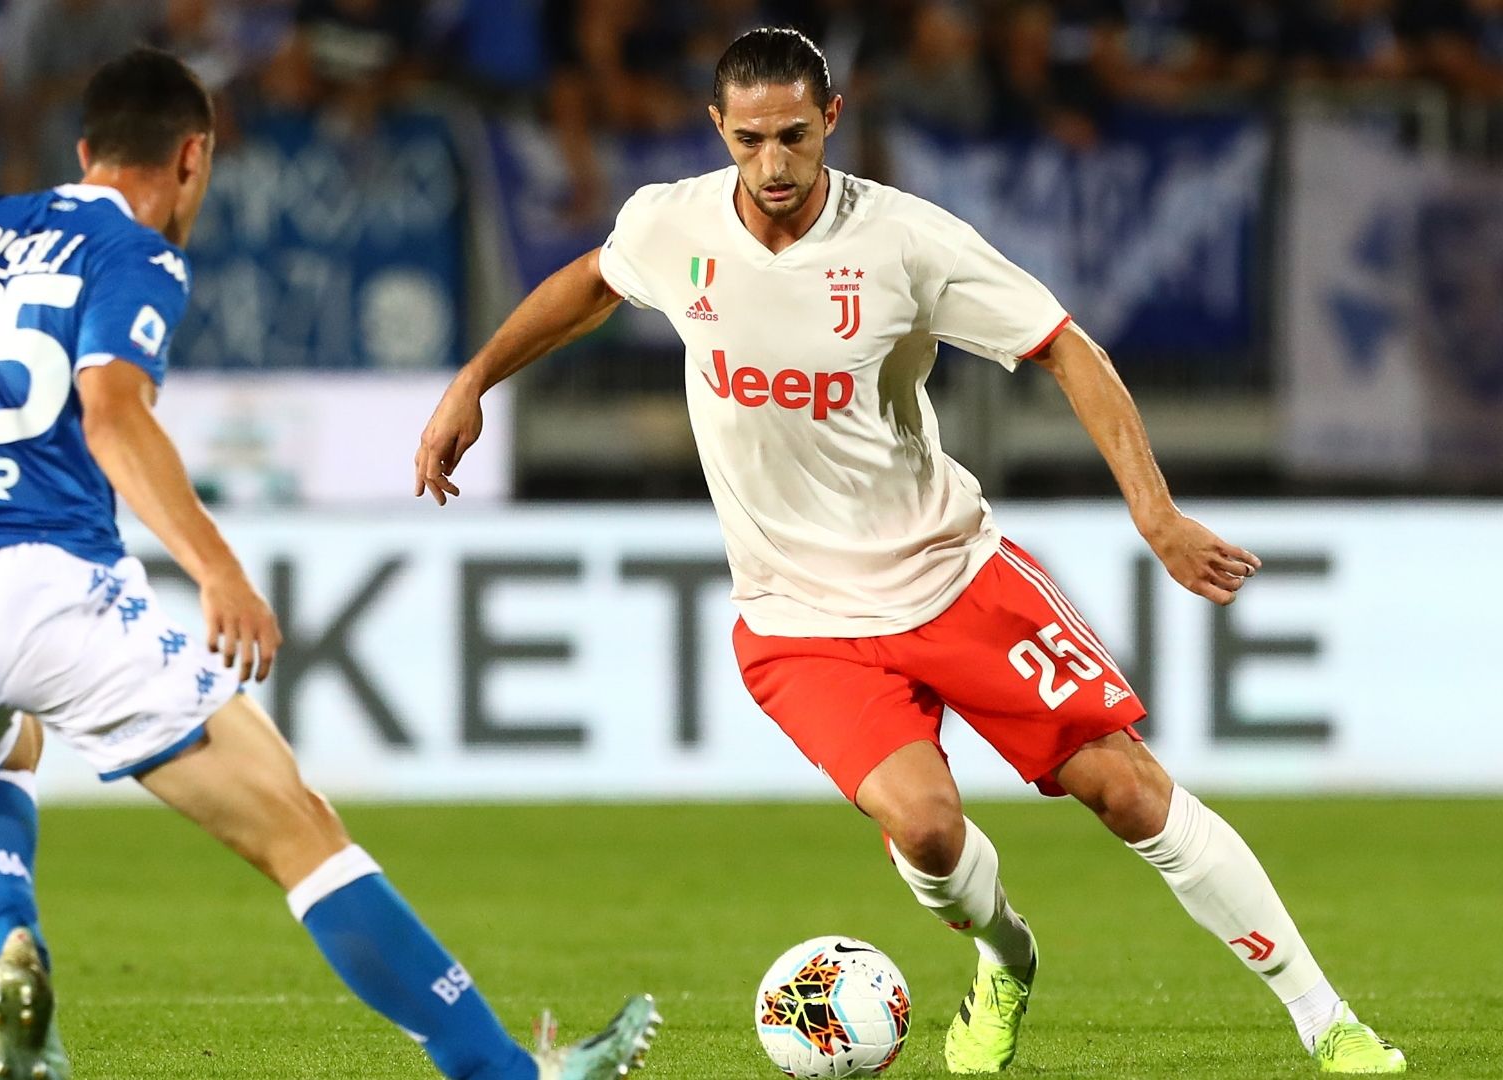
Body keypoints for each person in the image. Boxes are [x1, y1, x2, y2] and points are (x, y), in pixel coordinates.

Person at [0, 47, 657, 1080]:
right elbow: (112, 414)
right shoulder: (139, 256)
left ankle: (13, 951)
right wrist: (218, 570)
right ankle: (502, 1074)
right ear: (193, 158)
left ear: (82, 149)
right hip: (40, 588)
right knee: (298, 829)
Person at [415, 26, 1405, 1076]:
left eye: (795, 135)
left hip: (949, 574)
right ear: (719, 129)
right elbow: (592, 281)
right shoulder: (673, 224)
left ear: (832, 119)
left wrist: (1155, 514)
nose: (775, 164)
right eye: (750, 140)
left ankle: (1325, 1020)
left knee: (1126, 791)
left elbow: (1068, 346)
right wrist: (476, 379)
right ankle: (1006, 957)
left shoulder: (905, 242)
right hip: (800, 620)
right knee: (928, 833)